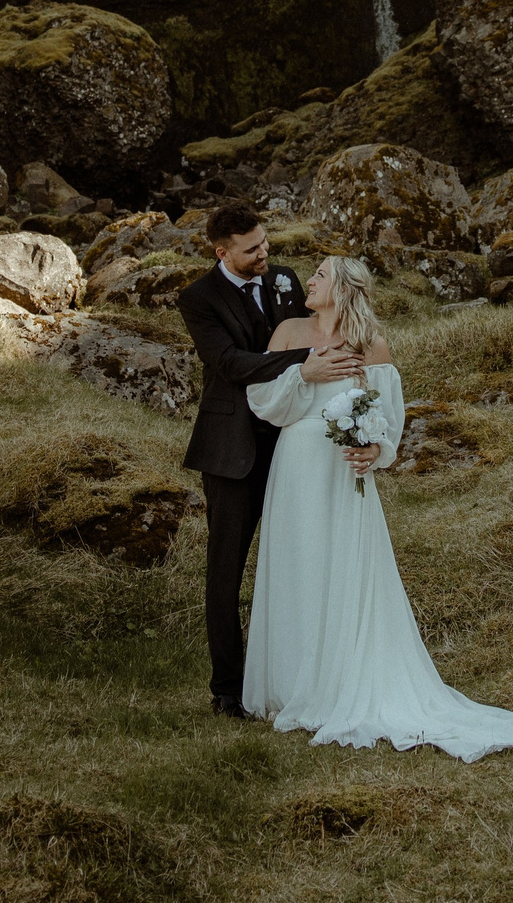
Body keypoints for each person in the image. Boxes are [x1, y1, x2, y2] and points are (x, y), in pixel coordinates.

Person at [243, 254, 513, 760]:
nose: (308, 280)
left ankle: (342, 681)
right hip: (294, 471)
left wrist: (374, 450)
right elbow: (264, 402)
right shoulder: (288, 331)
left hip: (342, 474)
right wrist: (306, 374)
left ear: (346, 286)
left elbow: (386, 420)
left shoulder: (371, 344)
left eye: (321, 273)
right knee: (297, 568)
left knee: (342, 571)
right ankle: (290, 685)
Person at [177, 203, 366, 720]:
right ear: (222, 253)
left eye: (265, 242)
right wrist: (305, 362)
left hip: (297, 448)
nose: (266, 253)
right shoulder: (197, 298)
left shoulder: (282, 280)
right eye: (251, 249)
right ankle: (228, 688)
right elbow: (230, 364)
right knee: (226, 570)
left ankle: (301, 674)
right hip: (233, 447)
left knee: (299, 562)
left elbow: (317, 326)